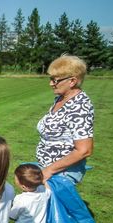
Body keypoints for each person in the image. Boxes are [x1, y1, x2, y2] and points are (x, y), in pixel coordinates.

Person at [37, 55, 94, 184]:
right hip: (48, 168)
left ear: (72, 81)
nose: (51, 83)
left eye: (55, 80)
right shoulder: (61, 98)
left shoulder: (79, 107)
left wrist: (49, 170)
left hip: (62, 173)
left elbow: (84, 150)